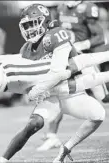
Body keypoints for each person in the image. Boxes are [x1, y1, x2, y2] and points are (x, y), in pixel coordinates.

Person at [0, 4, 107, 163]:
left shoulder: (56, 35)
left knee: (98, 113)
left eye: (33, 23)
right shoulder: (26, 49)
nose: (29, 29)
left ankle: (67, 147)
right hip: (50, 95)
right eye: (26, 25)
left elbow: (59, 72)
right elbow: (29, 77)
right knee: (34, 124)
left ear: (45, 22)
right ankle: (2, 160)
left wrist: (37, 89)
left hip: (70, 90)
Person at [38, 0, 109, 151]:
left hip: (84, 59)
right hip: (68, 57)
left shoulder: (88, 8)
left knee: (104, 97)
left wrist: (82, 45)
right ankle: (51, 136)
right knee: (57, 91)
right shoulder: (61, 7)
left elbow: (100, 37)